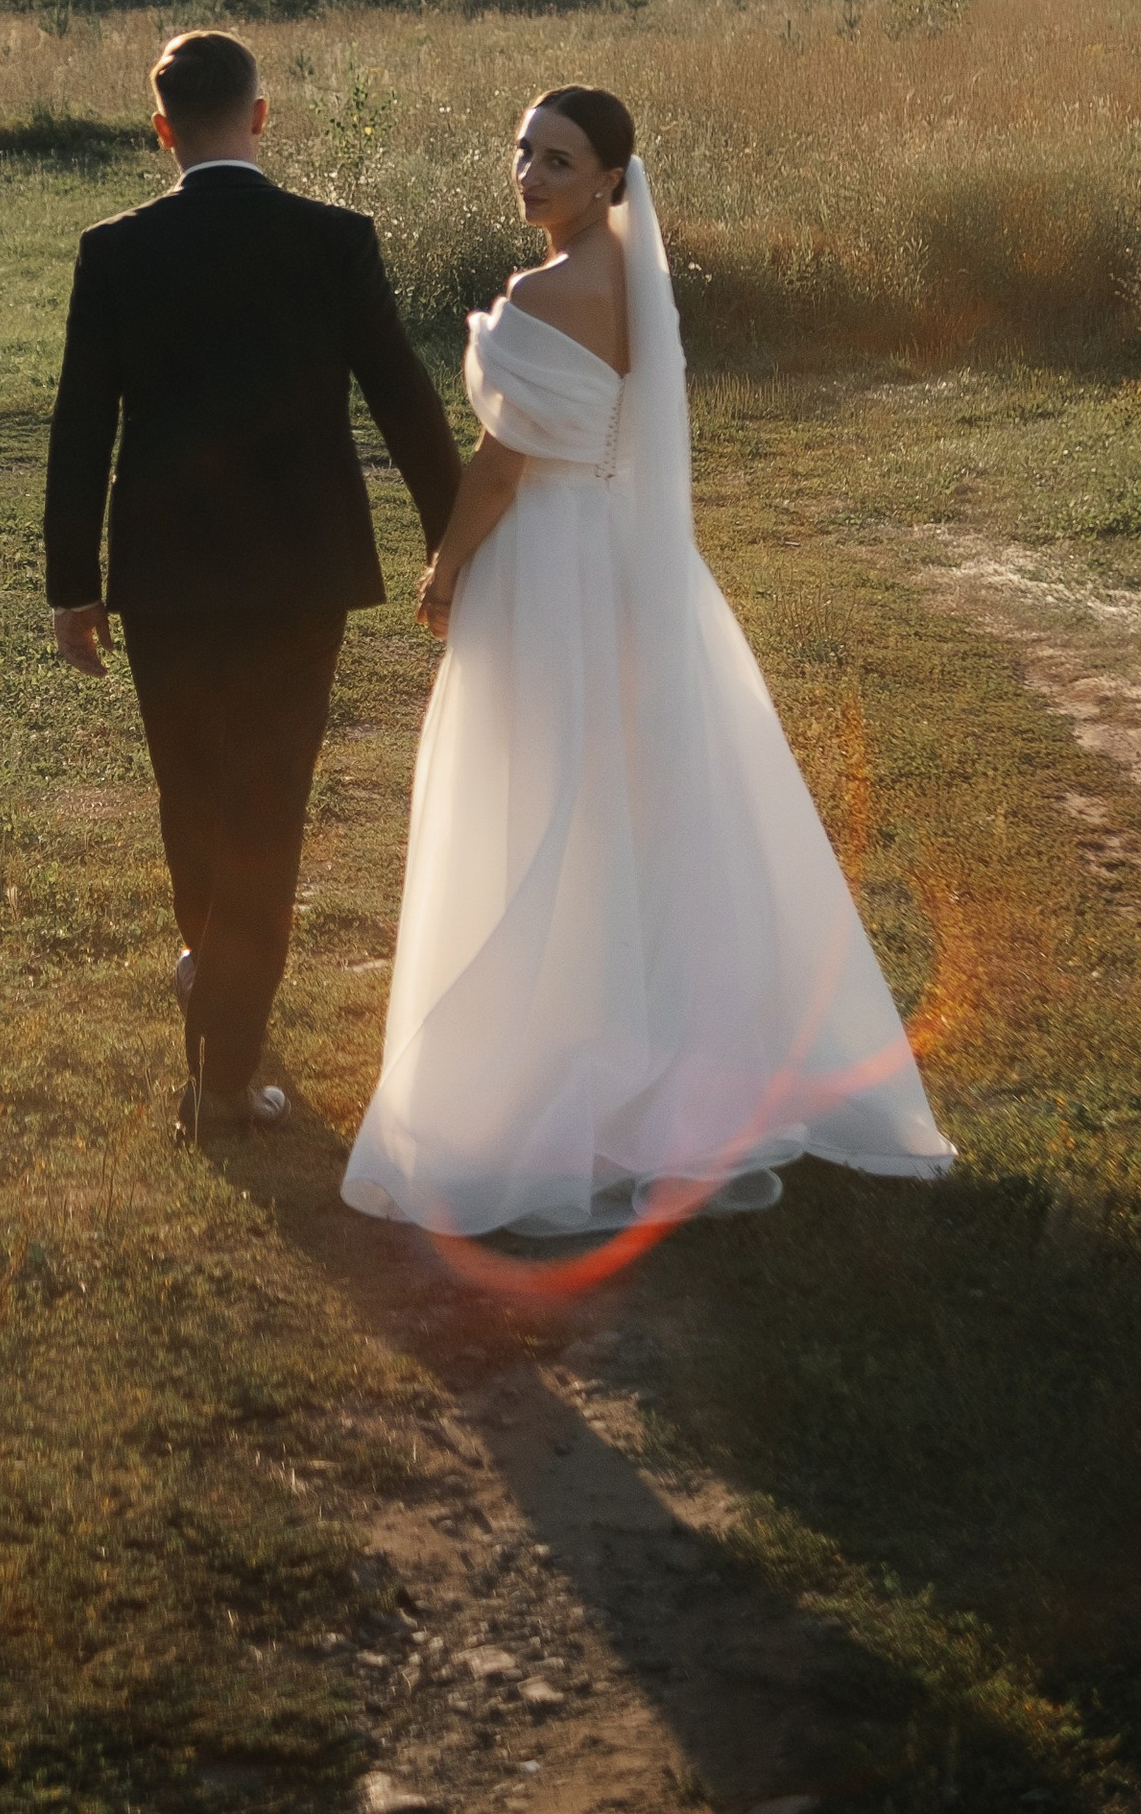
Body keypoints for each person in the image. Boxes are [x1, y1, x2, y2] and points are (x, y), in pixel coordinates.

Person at [343, 84, 954, 1236]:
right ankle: (658, 1048)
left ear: (610, 180)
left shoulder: (542, 292)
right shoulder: (642, 285)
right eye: (523, 151)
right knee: (642, 801)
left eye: (558, 162)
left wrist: (442, 571)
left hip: (545, 562)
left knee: (538, 800)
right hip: (633, 563)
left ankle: (542, 1061)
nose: (529, 174)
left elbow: (498, 468)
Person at [45, 29, 462, 1143]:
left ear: (163, 130)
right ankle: (224, 1068)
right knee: (267, 806)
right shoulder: (333, 242)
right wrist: (455, 543)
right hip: (298, 575)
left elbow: (83, 423)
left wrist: (72, 584)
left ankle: (213, 994)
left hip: (167, 579)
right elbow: (408, 406)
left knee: (192, 790)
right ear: (261, 118)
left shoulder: (115, 250)